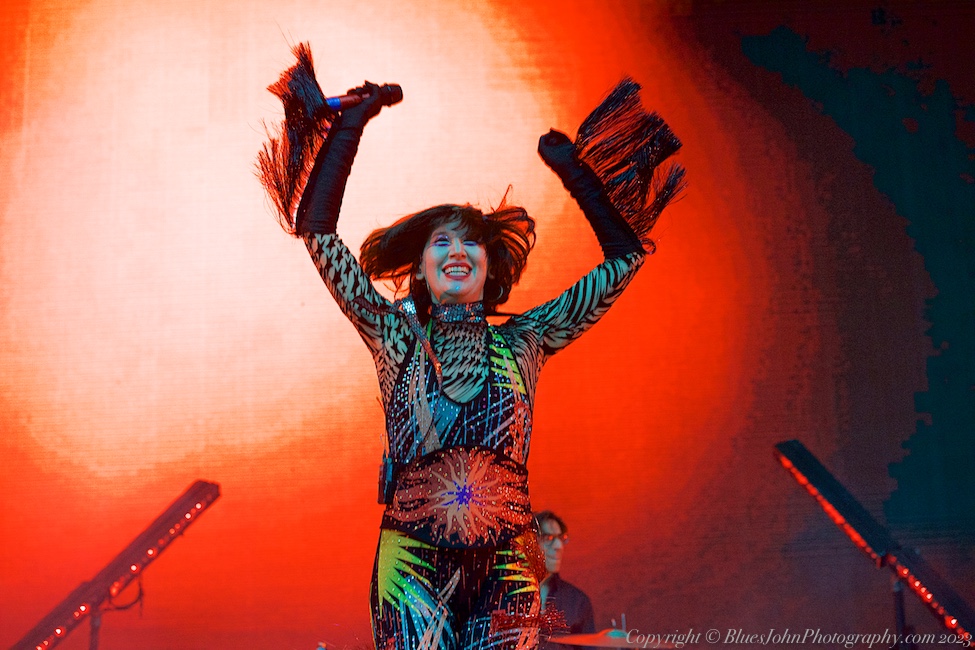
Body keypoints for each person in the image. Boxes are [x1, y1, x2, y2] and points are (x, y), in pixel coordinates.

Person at [259, 49, 682, 649]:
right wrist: (349, 125)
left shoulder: (527, 339)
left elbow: (624, 261)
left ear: (490, 268)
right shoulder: (394, 334)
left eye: (472, 245)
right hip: (411, 560)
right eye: (441, 243)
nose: (458, 252)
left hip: (508, 561)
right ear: (421, 269)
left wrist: (576, 174)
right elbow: (319, 234)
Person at [534, 511, 596, 650]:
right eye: (549, 538)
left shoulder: (578, 601)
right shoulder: (507, 595)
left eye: (561, 538)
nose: (559, 546)